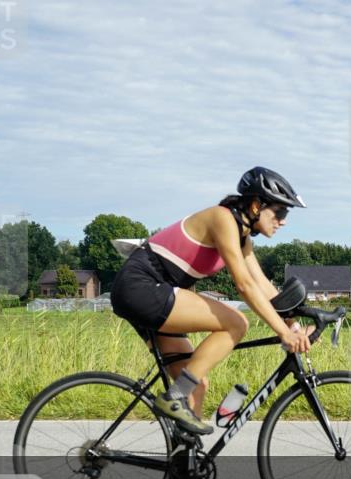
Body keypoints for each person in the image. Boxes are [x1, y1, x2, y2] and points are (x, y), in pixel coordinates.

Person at [110, 166, 313, 434]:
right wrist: (281, 332)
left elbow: (262, 284)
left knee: (196, 384)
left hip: (152, 292)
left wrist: (295, 325)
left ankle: (184, 467)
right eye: (280, 212)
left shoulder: (242, 237)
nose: (283, 221)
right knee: (236, 323)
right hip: (142, 287)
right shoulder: (222, 219)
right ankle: (173, 398)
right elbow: (244, 285)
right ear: (255, 205)